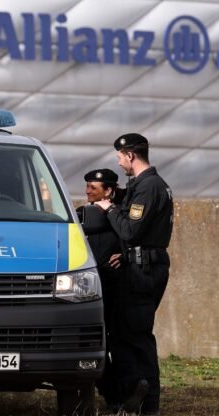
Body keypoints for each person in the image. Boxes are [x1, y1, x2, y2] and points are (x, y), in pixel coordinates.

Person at [94, 133, 172, 416]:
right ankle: (134, 395)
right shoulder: (144, 185)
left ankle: (146, 403)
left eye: (119, 157)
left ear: (129, 155)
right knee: (128, 334)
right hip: (139, 264)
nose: (118, 162)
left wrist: (110, 208)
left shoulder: (149, 187)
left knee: (136, 338)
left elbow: (131, 230)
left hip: (144, 271)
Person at [76, 168, 125, 409]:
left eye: (93, 188)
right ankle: (113, 396)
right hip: (90, 287)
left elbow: (135, 235)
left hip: (114, 286)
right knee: (93, 343)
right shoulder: (81, 215)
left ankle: (120, 395)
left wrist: (124, 254)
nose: (87, 191)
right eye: (86, 186)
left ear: (109, 191)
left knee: (117, 342)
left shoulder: (121, 217)